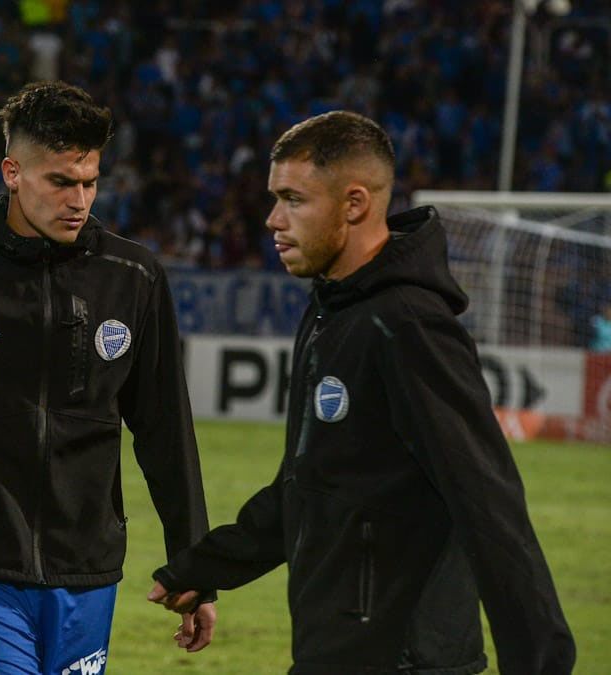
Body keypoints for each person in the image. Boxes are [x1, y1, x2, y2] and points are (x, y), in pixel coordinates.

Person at [148, 111, 576, 674]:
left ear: (354, 204)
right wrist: (204, 567)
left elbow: (487, 501)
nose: (274, 219)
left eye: (293, 199)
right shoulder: (332, 313)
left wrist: (539, 663)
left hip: (405, 659)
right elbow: (309, 485)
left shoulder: (408, 325)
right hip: (338, 653)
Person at [0, 81, 214, 675]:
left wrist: (194, 563)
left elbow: (166, 432)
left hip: (87, 572)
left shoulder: (132, 277)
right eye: (60, 181)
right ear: (13, 172)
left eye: (89, 182)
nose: (79, 200)